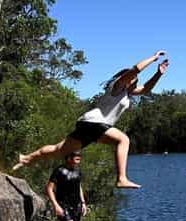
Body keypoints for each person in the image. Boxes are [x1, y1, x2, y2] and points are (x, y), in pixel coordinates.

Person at [13, 50, 170, 189]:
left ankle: (27, 158)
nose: (135, 81)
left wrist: (158, 73)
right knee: (123, 140)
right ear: (126, 78)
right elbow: (136, 69)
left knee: (58, 149)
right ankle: (121, 178)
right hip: (95, 122)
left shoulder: (127, 94)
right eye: (134, 79)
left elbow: (146, 89)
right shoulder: (117, 86)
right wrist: (153, 58)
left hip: (89, 124)